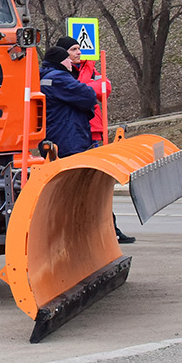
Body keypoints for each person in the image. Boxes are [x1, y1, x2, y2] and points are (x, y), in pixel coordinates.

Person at [56, 35, 135, 244]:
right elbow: (83, 92)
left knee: (100, 187)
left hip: (95, 133)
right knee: (77, 186)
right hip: (73, 136)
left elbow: (105, 88)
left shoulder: (88, 67)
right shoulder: (61, 73)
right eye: (73, 49)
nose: (78, 52)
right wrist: (89, 86)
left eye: (79, 49)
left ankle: (111, 228)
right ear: (64, 53)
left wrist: (87, 86)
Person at [39, 45, 97, 157]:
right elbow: (89, 96)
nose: (71, 62)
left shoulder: (43, 77)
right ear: (59, 61)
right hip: (68, 140)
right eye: (67, 59)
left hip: (51, 137)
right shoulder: (59, 77)